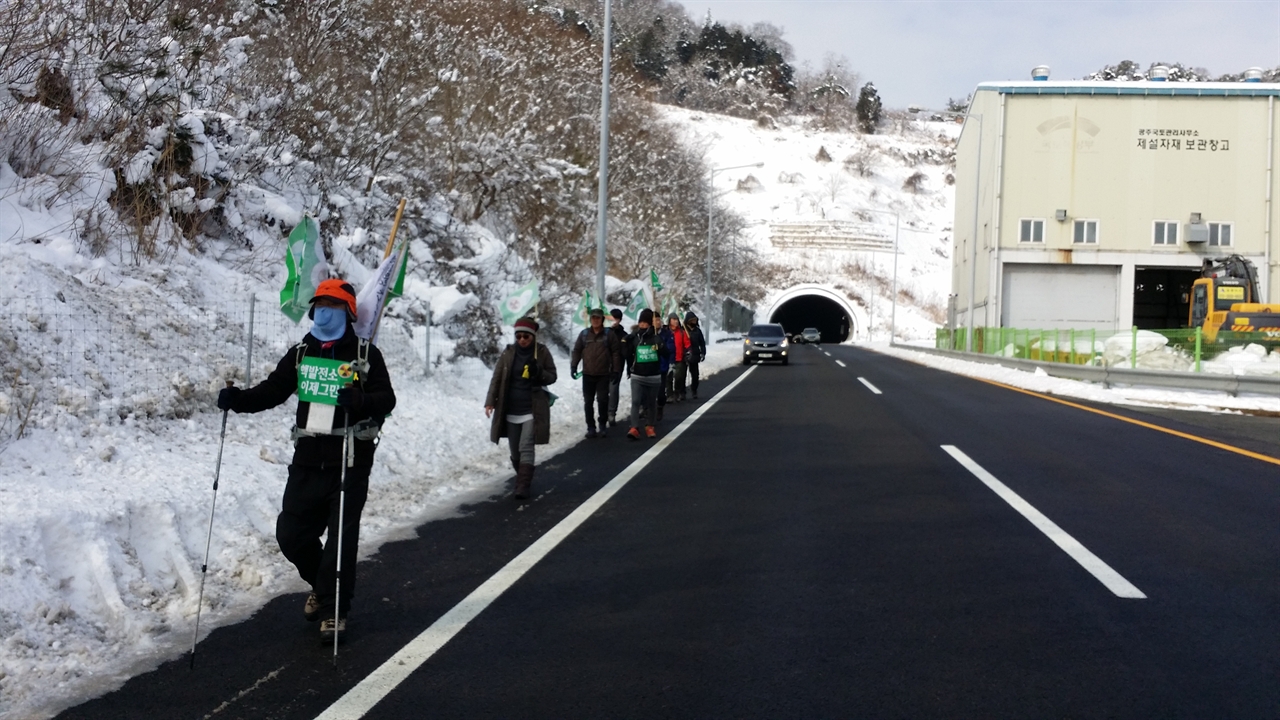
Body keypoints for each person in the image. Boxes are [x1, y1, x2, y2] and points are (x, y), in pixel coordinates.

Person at [216, 279, 396, 644]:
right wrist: (237, 399)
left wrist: (360, 400)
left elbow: (387, 399)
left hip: (350, 459)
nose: (323, 311)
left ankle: (334, 611)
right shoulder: (300, 354)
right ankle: (324, 587)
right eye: (319, 305)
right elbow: (273, 390)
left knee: (340, 540)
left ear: (347, 312)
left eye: (331, 305)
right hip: (308, 460)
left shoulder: (364, 355)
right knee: (291, 534)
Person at [485, 317, 558, 500]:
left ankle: (523, 486)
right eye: (519, 336)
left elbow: (552, 376)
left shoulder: (541, 352)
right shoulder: (508, 353)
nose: (522, 340)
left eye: (526, 336)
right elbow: (497, 378)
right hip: (510, 409)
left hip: (532, 409)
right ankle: (522, 476)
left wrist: (538, 371)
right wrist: (490, 401)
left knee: (526, 446)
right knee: (514, 450)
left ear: (532, 336)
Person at [571, 307, 621, 438]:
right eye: (593, 318)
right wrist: (573, 366)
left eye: (598, 318)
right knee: (588, 402)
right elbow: (577, 351)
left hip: (603, 374)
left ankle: (602, 424)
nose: (595, 320)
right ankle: (590, 427)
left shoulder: (608, 335)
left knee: (603, 400)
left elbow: (616, 352)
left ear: (602, 320)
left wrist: (616, 370)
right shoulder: (584, 335)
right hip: (587, 374)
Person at [625, 308, 668, 440]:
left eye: (645, 323)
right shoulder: (634, 337)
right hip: (637, 375)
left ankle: (650, 426)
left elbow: (666, 354)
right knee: (636, 401)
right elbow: (627, 354)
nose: (642, 325)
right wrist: (625, 344)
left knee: (651, 402)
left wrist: (660, 347)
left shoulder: (656, 338)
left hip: (653, 376)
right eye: (640, 323)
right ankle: (634, 427)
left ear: (650, 324)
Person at [663, 314, 692, 404]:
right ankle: (669, 394)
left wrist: (689, 351)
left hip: (680, 358)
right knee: (668, 377)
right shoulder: (666, 332)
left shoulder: (682, 332)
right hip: (668, 358)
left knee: (679, 376)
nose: (675, 321)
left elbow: (687, 344)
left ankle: (677, 392)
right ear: (669, 320)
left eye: (676, 319)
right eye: (673, 319)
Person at [606, 308, 628, 426]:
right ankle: (604, 413)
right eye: (611, 318)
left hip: (617, 366)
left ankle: (611, 413)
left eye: (616, 319)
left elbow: (626, 352)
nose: (613, 321)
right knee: (603, 391)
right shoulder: (602, 333)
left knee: (613, 389)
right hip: (602, 366)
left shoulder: (623, 335)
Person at [683, 311, 707, 400]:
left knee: (695, 375)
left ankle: (694, 390)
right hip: (685, 355)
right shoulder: (684, 330)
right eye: (692, 320)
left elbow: (702, 343)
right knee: (682, 375)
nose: (693, 322)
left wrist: (703, 353)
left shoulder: (697, 331)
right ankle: (682, 392)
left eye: (694, 320)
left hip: (695, 355)